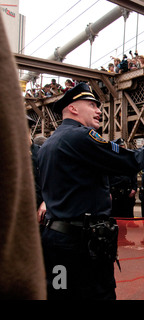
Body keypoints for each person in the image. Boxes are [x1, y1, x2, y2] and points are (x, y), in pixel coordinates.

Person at [37, 82, 144, 300]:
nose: (99, 110)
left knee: (59, 290)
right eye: (92, 104)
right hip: (81, 245)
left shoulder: (48, 144)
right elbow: (130, 162)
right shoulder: (82, 136)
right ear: (73, 108)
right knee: (99, 293)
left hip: (55, 240)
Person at [0, 13, 46, 299]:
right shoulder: (24, 153)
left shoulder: (37, 153)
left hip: (37, 212)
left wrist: (44, 201)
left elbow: (45, 180)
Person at [109, 138, 138, 246]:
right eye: (120, 148)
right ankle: (113, 238)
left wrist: (134, 187)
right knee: (114, 217)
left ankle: (122, 238)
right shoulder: (110, 161)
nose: (122, 149)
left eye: (123, 147)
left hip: (125, 194)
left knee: (123, 217)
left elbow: (133, 175)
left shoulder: (126, 161)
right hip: (114, 194)